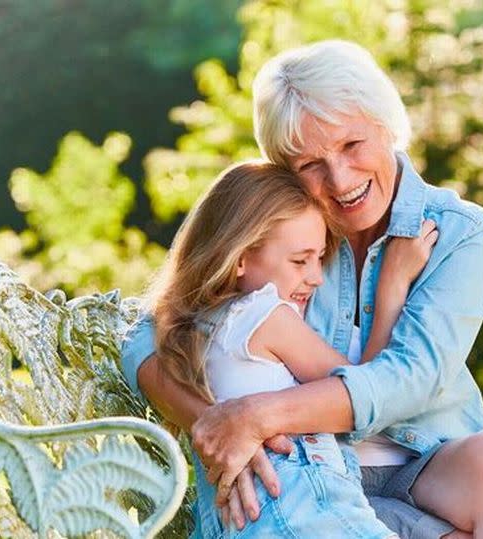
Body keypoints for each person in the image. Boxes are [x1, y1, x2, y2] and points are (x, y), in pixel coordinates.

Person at [123, 40, 483, 538]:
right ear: (284, 169)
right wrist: (217, 424)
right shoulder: (278, 237)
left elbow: (411, 378)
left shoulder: (459, 232)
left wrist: (260, 414)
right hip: (309, 478)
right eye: (309, 165)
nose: (339, 179)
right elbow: (149, 335)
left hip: (425, 466)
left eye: (351, 145)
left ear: (385, 124)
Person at [144, 160, 438, 537]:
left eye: (320, 258)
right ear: (240, 259)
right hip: (308, 515)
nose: (315, 277)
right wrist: (393, 284)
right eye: (300, 260)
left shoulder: (190, 331)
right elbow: (363, 392)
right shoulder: (265, 315)